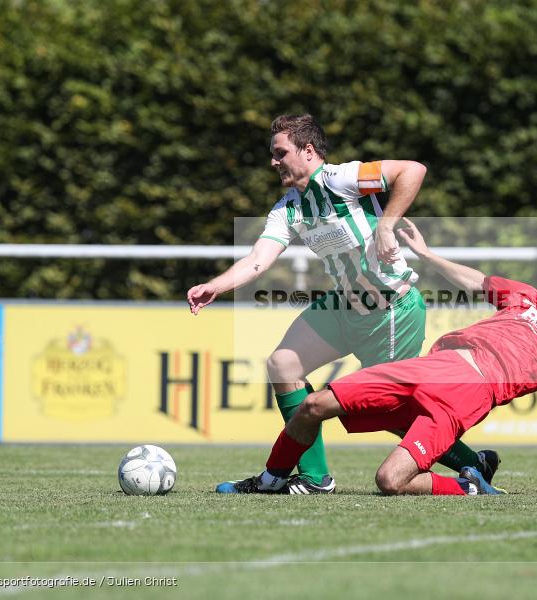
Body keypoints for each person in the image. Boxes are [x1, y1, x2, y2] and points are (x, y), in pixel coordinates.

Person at [221, 218, 537, 495]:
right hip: (430, 368)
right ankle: (271, 479)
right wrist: (427, 256)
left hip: (464, 398)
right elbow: (474, 281)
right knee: (312, 406)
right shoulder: (526, 298)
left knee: (390, 481)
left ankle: (470, 485)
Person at [187, 115, 499, 494]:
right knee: (283, 363)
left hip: (391, 311)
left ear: (308, 151)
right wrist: (215, 286)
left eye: (280, 153)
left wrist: (387, 225)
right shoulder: (289, 207)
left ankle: (472, 463)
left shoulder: (343, 179)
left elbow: (413, 170)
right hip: (344, 306)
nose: (273, 161)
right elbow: (257, 259)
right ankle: (315, 478)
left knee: (387, 412)